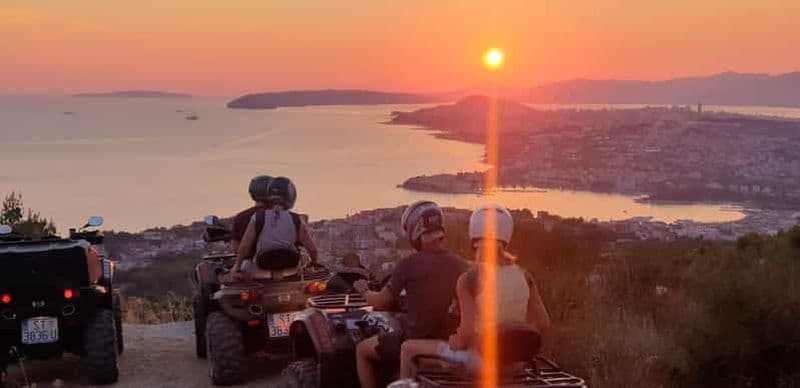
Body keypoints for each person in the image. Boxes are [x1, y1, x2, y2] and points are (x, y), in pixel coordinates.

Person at [399, 204, 551, 379]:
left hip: (479, 363)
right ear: (506, 237)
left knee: (407, 349)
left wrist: (455, 341)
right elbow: (543, 323)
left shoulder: (470, 279)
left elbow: (468, 332)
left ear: (474, 235)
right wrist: (514, 344)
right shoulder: (525, 276)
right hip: (516, 365)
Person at [354, 201, 469, 388]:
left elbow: (381, 301)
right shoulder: (462, 264)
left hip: (415, 341)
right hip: (450, 344)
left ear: (415, 231)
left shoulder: (409, 264)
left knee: (361, 350)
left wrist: (363, 290)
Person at [233, 176, 318, 276]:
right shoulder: (297, 218)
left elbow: (244, 246)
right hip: (290, 268)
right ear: (291, 196)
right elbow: (312, 248)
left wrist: (237, 266)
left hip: (261, 268)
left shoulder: (258, 217)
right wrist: (314, 262)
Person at [230, 175, 272, 263]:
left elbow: (236, 250)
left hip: (253, 267)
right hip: (286, 267)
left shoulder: (241, 217)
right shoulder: (285, 216)